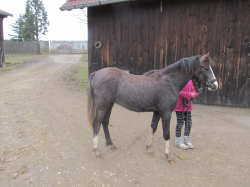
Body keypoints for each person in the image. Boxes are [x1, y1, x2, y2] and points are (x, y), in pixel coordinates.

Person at [174, 80, 199, 149]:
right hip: (180, 106)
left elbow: (193, 90)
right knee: (180, 123)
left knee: (189, 123)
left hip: (188, 106)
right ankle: (178, 140)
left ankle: (187, 139)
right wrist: (189, 95)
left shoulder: (190, 81)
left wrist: (193, 94)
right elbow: (179, 92)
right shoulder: (180, 80)